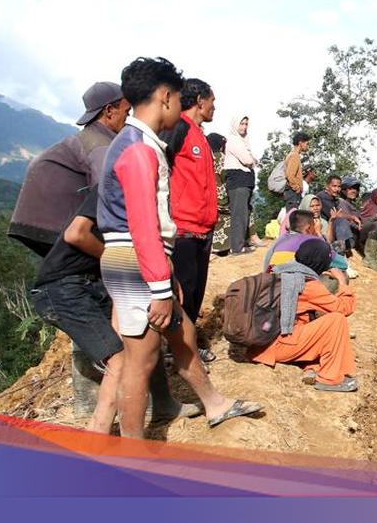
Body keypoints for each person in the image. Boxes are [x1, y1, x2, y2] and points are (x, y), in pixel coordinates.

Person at [98, 57, 261, 437]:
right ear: (166, 97)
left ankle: (214, 403)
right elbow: (143, 225)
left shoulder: (139, 143)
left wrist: (165, 276)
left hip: (141, 258)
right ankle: (132, 451)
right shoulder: (139, 149)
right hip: (134, 258)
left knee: (183, 332)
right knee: (140, 361)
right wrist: (159, 286)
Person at [28, 186, 203, 433]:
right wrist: (115, 257)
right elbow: (76, 234)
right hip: (64, 288)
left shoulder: (147, 193)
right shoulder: (115, 186)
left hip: (99, 281)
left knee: (140, 340)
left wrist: (166, 276)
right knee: (119, 360)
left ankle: (162, 405)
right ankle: (98, 432)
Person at [9, 81, 131, 256]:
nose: (128, 118)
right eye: (127, 112)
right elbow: (109, 192)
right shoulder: (100, 144)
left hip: (31, 224)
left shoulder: (86, 138)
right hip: (55, 228)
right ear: (109, 111)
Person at [248, 238, 358, 393]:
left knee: (309, 320)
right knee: (336, 320)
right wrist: (343, 284)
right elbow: (343, 308)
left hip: (259, 342)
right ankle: (329, 379)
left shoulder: (279, 271)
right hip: (275, 347)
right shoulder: (307, 284)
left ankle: (311, 366)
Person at [162, 79, 219, 363]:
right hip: (183, 228)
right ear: (199, 100)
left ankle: (188, 345)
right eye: (212, 101)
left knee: (195, 292)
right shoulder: (179, 128)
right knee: (183, 292)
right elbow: (160, 165)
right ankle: (177, 351)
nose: (214, 107)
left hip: (204, 228)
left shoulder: (201, 136)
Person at [223, 115, 259, 254]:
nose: (244, 127)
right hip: (238, 181)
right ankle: (237, 247)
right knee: (239, 215)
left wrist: (252, 160)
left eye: (246, 124)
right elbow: (247, 160)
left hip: (244, 181)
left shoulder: (243, 141)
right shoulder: (234, 140)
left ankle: (241, 244)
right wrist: (252, 160)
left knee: (244, 213)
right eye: (241, 123)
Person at [207, 133, 231, 255]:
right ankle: (225, 247)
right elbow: (226, 176)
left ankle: (215, 246)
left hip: (209, 196)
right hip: (222, 195)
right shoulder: (221, 157)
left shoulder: (206, 157)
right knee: (228, 218)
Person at [284, 132, 310, 211]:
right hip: (293, 193)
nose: (307, 146)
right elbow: (290, 175)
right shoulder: (294, 155)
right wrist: (297, 188)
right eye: (307, 143)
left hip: (292, 193)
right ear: (300, 143)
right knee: (294, 216)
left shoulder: (293, 155)